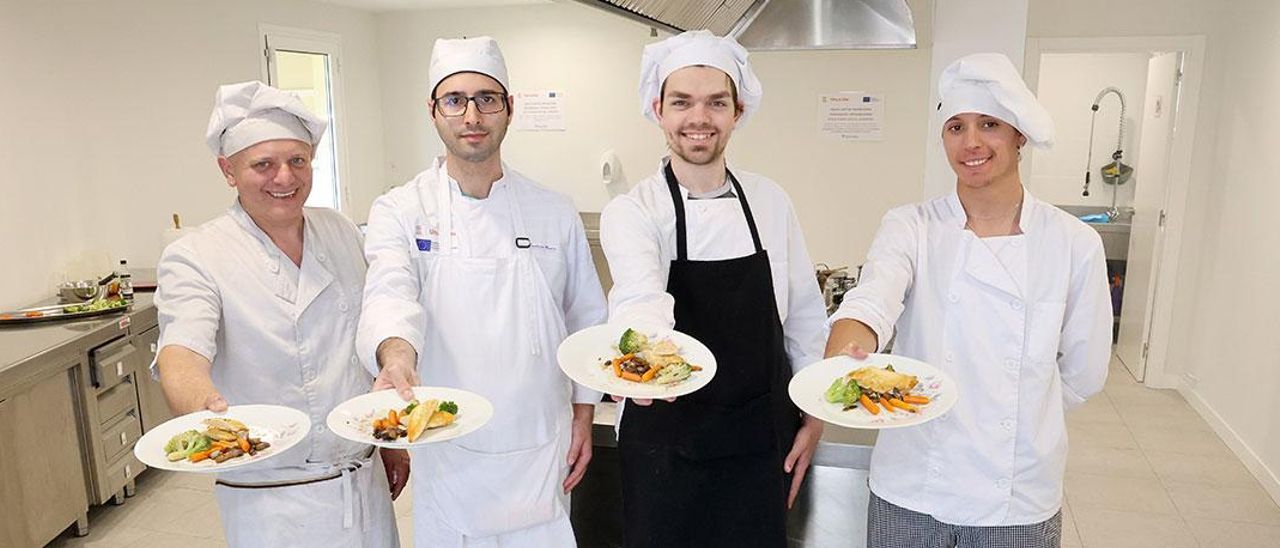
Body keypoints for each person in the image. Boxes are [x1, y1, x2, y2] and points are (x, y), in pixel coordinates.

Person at [825, 53, 1112, 548]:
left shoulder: (1072, 242)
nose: (971, 142)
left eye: (989, 125)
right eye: (955, 127)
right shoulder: (911, 226)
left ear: (1019, 135)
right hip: (912, 485)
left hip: (1017, 496)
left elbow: (1084, 371)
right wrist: (852, 338)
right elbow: (874, 295)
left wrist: (1023, 407)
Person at [356, 36, 607, 547]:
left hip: (541, 443)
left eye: (486, 99)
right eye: (455, 100)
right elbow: (390, 293)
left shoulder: (553, 210)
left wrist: (584, 414)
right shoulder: (401, 209)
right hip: (450, 447)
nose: (471, 114)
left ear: (508, 109)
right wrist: (395, 360)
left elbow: (586, 318)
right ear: (434, 111)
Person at [599, 30, 829, 548]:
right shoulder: (635, 212)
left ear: (737, 111)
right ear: (658, 109)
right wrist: (644, 363)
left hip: (757, 445)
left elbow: (806, 321)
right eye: (681, 102)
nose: (698, 118)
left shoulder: (770, 202)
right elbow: (641, 298)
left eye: (715, 102)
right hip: (665, 446)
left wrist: (815, 416)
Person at [154, 81, 403, 547]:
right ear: (227, 170)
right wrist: (206, 413)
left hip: (361, 478)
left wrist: (387, 438)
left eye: (297, 161)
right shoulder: (197, 255)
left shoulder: (340, 230)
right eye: (262, 164)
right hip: (271, 499)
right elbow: (181, 351)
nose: (284, 178)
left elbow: (363, 337)